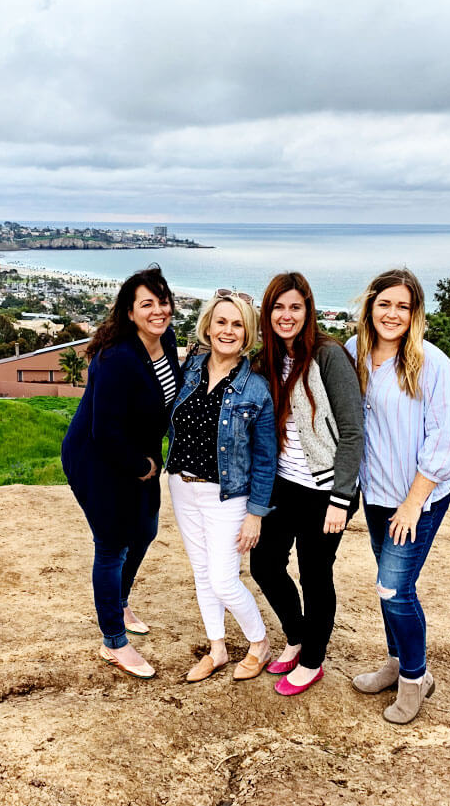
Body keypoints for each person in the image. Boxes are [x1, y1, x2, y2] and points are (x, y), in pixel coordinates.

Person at [345, 268, 450, 724]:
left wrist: (412, 504)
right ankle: (395, 663)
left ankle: (416, 678)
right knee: (385, 583)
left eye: (403, 307)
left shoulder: (434, 365)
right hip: (376, 491)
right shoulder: (354, 353)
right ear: (370, 307)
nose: (392, 314)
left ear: (415, 315)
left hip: (419, 497)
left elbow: (441, 446)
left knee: (394, 588)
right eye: (384, 304)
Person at [61, 265, 181, 679]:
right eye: (147, 304)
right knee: (112, 544)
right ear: (130, 312)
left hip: (140, 457)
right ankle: (113, 639)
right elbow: (103, 431)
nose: (158, 310)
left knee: (145, 530)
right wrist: (142, 465)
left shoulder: (167, 340)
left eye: (163, 302)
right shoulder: (115, 358)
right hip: (96, 459)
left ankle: (120, 600)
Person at [249, 272, 364, 696]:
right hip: (283, 484)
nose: (286, 315)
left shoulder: (328, 356)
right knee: (264, 565)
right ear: (268, 313)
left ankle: (313, 659)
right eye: (278, 307)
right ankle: (296, 637)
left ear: (307, 311)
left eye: (295, 307)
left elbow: (353, 430)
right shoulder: (265, 360)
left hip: (325, 489)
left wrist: (341, 498)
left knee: (315, 576)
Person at [167, 290, 277, 682]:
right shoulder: (189, 369)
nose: (227, 331)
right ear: (208, 326)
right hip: (181, 485)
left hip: (228, 496)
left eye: (237, 325)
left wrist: (256, 515)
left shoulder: (256, 388)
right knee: (201, 573)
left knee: (224, 579)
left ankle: (259, 643)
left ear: (247, 334)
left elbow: (266, 459)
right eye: (221, 322)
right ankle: (217, 649)